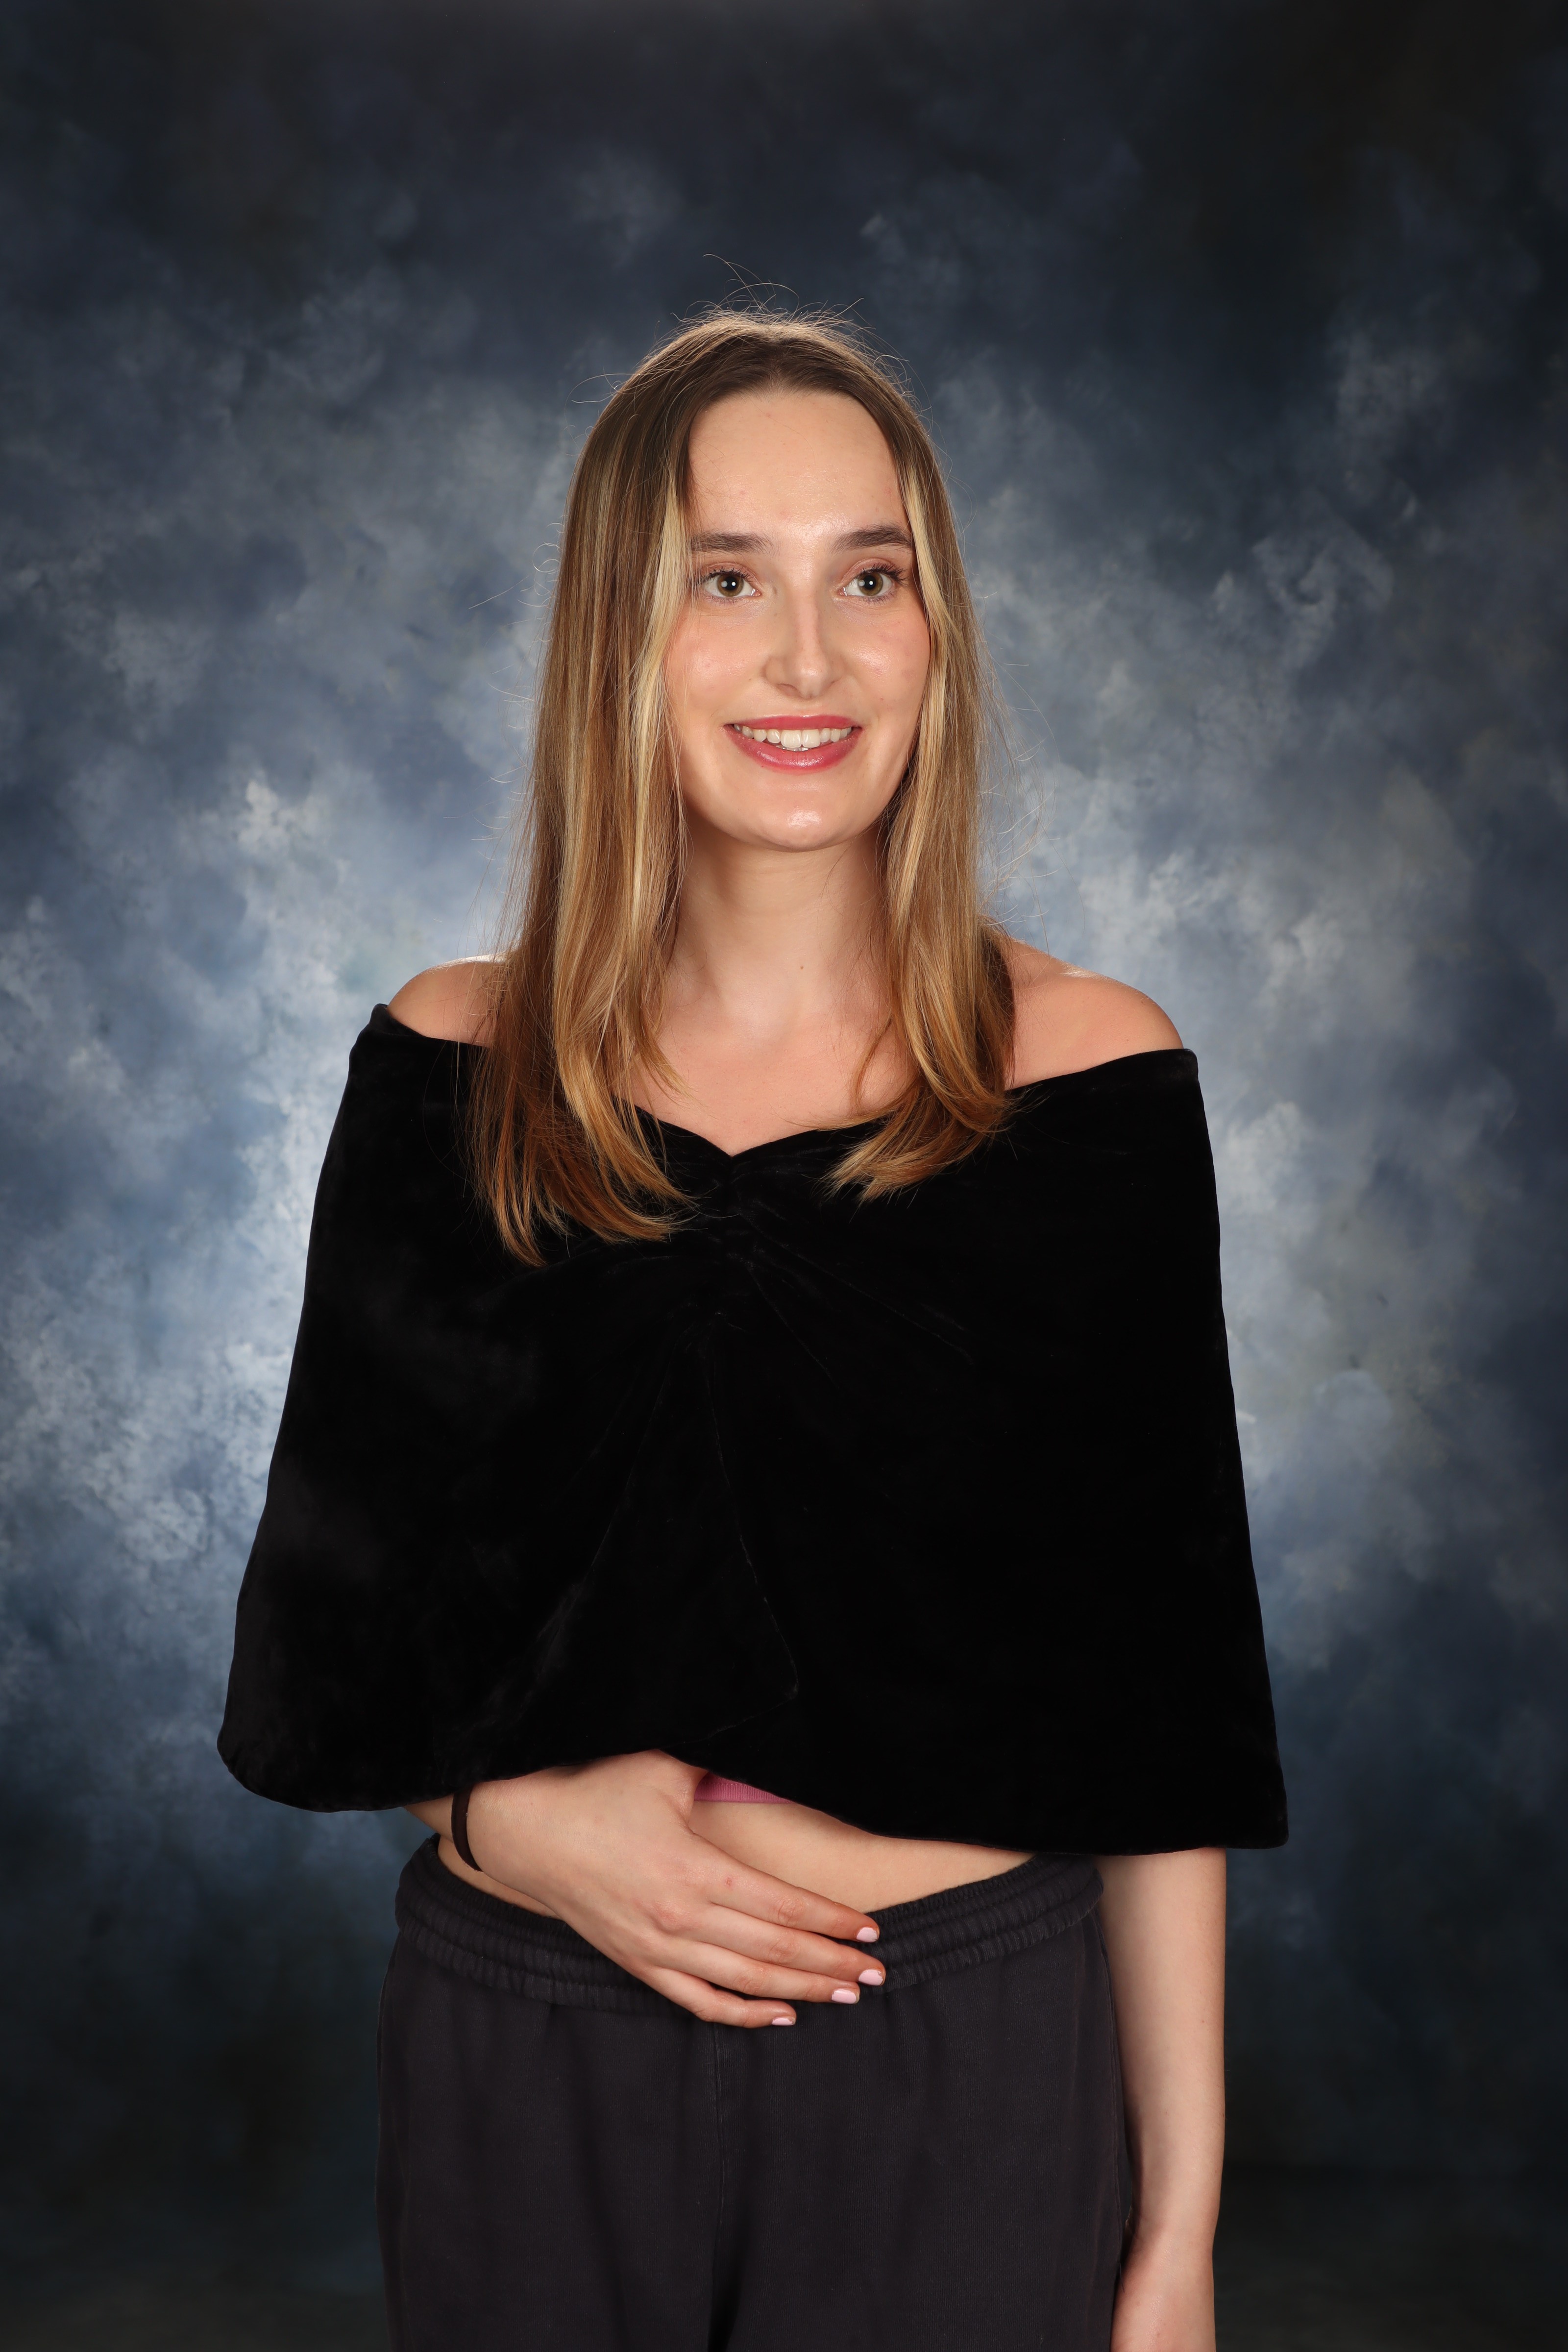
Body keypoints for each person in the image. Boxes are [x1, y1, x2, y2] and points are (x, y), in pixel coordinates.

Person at [220, 312, 1286, 2352]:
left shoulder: (1088, 1077)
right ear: (620, 637)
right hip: (527, 2047)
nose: (809, 658)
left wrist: (1175, 2239)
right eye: (727, 580)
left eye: (869, 578)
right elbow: (348, 1657)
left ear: (934, 635)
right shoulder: (452, 1065)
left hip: (955, 2060)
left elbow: (1161, 1709)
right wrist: (511, 1820)